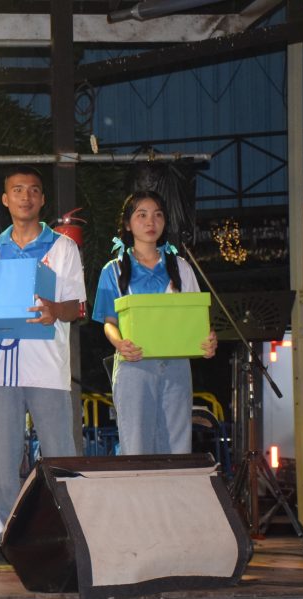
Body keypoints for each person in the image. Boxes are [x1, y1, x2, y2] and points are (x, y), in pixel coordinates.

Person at [0, 166, 85, 565]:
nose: (25, 196)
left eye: (33, 190)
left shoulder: (63, 247)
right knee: (4, 459)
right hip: (1, 369)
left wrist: (54, 310)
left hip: (49, 368)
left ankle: (71, 536)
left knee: (60, 456)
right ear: (5, 199)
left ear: (42, 199)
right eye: (17, 190)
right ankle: (7, 539)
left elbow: (77, 306)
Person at [91, 190, 218, 455]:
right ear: (127, 224)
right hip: (134, 365)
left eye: (158, 215)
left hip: (177, 366)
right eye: (142, 215)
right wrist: (119, 343)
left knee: (178, 447)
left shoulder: (181, 266)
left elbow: (196, 317)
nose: (151, 222)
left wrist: (209, 338)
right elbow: (109, 321)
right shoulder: (113, 269)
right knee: (136, 446)